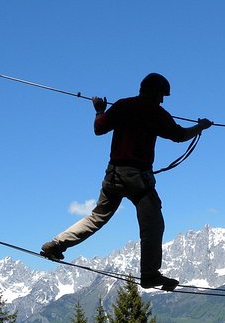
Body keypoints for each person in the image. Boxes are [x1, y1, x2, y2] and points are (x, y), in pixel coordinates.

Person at [41, 73, 212, 290]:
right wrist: (201, 127)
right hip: (137, 178)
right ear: (154, 92)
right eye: (161, 95)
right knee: (153, 223)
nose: (162, 100)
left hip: (112, 174)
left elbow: (99, 129)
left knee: (97, 217)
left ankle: (56, 244)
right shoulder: (156, 112)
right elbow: (178, 135)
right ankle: (149, 274)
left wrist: (99, 110)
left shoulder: (123, 105)